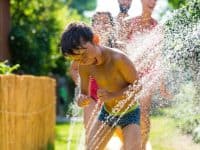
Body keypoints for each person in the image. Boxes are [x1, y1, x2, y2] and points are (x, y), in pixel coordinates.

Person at [61, 22, 142, 150]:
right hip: (107, 114)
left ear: (95, 40)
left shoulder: (118, 59)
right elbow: (84, 93)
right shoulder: (85, 66)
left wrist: (113, 95)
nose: (83, 60)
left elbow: (138, 86)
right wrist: (82, 99)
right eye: (77, 59)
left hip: (130, 113)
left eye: (84, 54)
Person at [127, 0, 172, 149]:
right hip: (128, 76)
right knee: (126, 115)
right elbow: (121, 52)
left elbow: (159, 58)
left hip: (147, 76)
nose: (152, 2)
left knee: (144, 113)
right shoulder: (130, 24)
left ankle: (143, 146)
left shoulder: (158, 27)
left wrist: (162, 84)